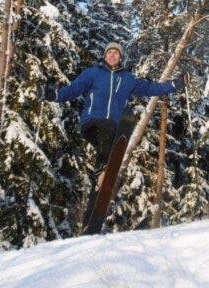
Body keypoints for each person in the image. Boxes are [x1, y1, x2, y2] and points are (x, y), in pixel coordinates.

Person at [45, 41, 183, 189]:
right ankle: (101, 171)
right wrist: (55, 95)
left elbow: (150, 88)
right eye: (109, 52)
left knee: (113, 146)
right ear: (105, 56)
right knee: (108, 128)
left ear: (120, 57)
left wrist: (174, 85)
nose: (112, 55)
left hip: (110, 131)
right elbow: (74, 89)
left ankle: (101, 183)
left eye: (115, 53)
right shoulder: (93, 73)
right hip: (91, 122)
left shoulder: (127, 79)